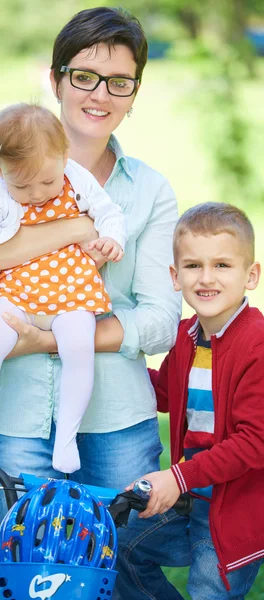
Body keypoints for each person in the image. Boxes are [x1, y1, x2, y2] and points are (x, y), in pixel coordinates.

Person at [0, 7, 181, 596]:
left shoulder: (148, 189)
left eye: (118, 82)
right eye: (83, 76)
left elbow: (159, 321)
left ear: (134, 93)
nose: (100, 94)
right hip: (14, 417)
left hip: (115, 421)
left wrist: (47, 339)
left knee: (126, 574)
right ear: (56, 80)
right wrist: (75, 232)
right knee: (34, 578)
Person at [0, 103, 126, 473]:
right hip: (17, 287)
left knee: (78, 346)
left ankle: (67, 438)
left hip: (71, 286)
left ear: (63, 156)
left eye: (47, 182)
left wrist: (112, 238)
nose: (37, 193)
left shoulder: (76, 175)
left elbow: (108, 212)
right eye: (22, 185)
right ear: (0, 168)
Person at [116, 203, 264, 600]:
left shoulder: (257, 344)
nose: (206, 278)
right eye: (193, 266)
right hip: (191, 499)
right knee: (121, 548)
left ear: (251, 275)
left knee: (208, 593)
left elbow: (255, 441)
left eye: (222, 265)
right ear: (174, 276)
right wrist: (113, 372)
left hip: (237, 512)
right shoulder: (187, 336)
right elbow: (166, 392)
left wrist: (177, 478)